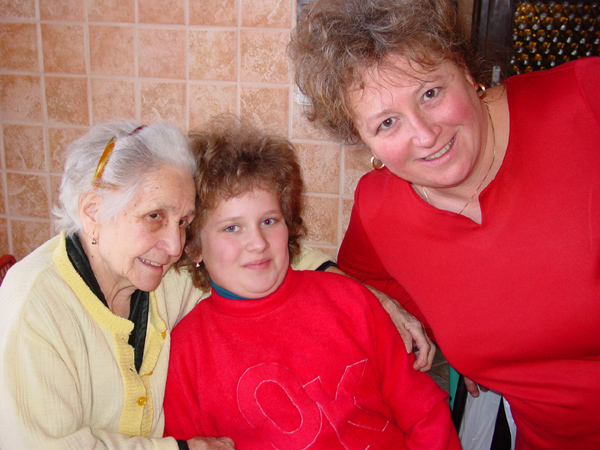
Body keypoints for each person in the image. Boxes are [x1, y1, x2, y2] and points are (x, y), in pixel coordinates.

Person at [288, 0, 600, 449]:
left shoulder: (585, 99)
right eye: (387, 123)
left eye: (430, 93)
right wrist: (461, 338)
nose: (425, 134)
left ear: (463, 69)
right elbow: (363, 289)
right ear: (363, 140)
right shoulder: (379, 208)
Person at [0, 120, 332, 450]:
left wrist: (332, 272)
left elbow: (252, 255)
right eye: (155, 216)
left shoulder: (163, 272)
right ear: (93, 212)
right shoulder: (35, 306)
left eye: (184, 222)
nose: (175, 246)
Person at [163, 121, 461, 450]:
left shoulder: (351, 300)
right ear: (193, 246)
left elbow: (425, 414)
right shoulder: (185, 353)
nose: (258, 243)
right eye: (232, 228)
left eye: (269, 221)